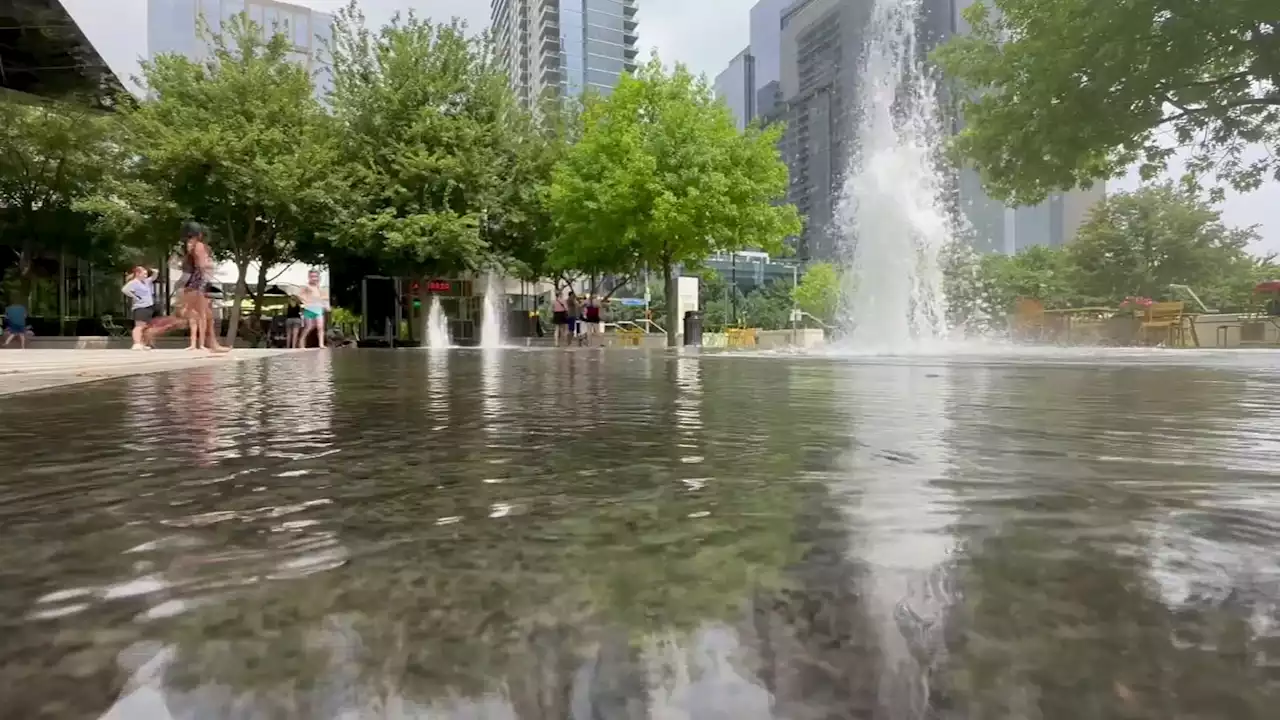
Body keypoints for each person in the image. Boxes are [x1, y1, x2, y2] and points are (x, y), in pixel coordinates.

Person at [146, 222, 228, 353]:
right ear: (199, 233)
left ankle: (213, 344)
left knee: (202, 315)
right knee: (195, 317)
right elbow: (201, 265)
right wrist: (210, 267)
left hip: (191, 285)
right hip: (197, 285)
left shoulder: (189, 246)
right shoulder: (199, 246)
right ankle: (152, 331)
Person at [122, 265, 158, 350]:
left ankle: (142, 343)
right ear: (138, 274)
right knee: (139, 326)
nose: (146, 275)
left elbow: (154, 277)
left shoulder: (146, 282)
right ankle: (136, 343)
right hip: (140, 307)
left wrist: (155, 272)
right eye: (144, 274)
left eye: (146, 274)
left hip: (148, 306)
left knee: (145, 326)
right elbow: (124, 290)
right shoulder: (134, 282)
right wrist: (135, 296)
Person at [295, 269, 329, 349]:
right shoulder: (306, 286)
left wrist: (325, 305)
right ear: (309, 277)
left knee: (320, 326)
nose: (314, 278)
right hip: (309, 308)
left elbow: (323, 298)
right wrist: (305, 301)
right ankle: (301, 341)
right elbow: (299, 295)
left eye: (316, 276)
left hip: (318, 308)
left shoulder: (319, 287)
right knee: (309, 327)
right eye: (312, 276)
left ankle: (321, 344)